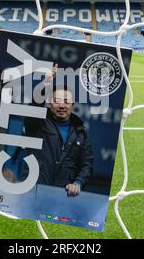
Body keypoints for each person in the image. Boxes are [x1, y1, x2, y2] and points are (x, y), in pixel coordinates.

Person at [23, 65, 94, 196]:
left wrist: (78, 182)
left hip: (63, 194)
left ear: (72, 106)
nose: (62, 105)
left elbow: (87, 163)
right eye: (57, 101)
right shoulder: (37, 123)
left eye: (66, 102)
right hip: (34, 189)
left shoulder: (80, 132)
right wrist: (46, 83)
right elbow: (34, 106)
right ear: (49, 104)